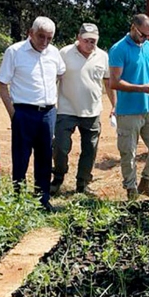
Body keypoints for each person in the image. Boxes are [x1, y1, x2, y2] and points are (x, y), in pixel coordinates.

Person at [0, 16, 65, 212]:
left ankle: (42, 199)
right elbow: (2, 84)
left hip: (48, 112)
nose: (44, 42)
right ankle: (18, 199)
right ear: (30, 33)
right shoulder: (15, 52)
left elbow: (60, 73)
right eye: (40, 37)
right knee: (21, 157)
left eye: (49, 38)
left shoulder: (53, 53)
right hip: (23, 112)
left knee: (44, 157)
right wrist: (13, 114)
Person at [109, 14, 149, 201]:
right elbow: (114, 82)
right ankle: (131, 190)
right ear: (133, 28)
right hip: (128, 111)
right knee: (128, 152)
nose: (147, 39)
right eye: (144, 35)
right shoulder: (118, 49)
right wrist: (141, 88)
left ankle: (146, 182)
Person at [50, 23, 116, 195]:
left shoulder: (102, 56)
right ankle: (58, 177)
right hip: (66, 109)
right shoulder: (64, 53)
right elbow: (54, 79)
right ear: (78, 38)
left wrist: (115, 105)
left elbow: (108, 82)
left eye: (93, 41)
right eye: (86, 40)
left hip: (92, 110)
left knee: (90, 149)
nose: (90, 44)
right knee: (60, 147)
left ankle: (83, 182)